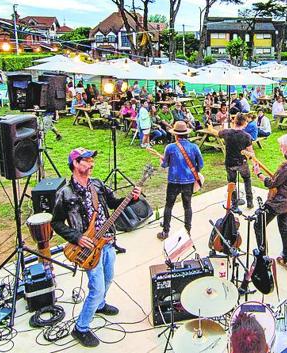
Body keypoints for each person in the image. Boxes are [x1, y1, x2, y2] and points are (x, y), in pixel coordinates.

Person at [52, 148, 141, 348]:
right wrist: (77, 238)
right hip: (89, 249)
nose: (91, 164)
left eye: (92, 161)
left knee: (108, 278)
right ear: (75, 164)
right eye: (87, 161)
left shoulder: (98, 185)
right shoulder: (65, 193)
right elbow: (56, 223)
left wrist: (132, 198)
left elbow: (114, 203)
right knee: (97, 287)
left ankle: (99, 305)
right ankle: (81, 328)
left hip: (108, 243)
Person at [251, 134, 287, 271]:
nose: (280, 149)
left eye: (281, 147)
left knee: (259, 224)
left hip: (277, 202)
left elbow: (271, 183)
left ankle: (262, 258)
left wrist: (259, 174)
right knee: (284, 226)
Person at [156, 121, 204, 240]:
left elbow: (165, 164)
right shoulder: (194, 147)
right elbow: (201, 164)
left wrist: (162, 161)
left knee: (169, 206)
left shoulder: (170, 147)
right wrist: (193, 171)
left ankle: (165, 231)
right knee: (187, 206)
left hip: (173, 181)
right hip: (188, 181)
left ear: (175, 134)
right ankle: (187, 231)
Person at [219, 113, 255, 209]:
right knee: (247, 180)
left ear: (234, 121)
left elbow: (217, 133)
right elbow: (251, 153)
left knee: (231, 182)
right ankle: (250, 202)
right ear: (244, 123)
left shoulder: (226, 133)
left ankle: (234, 204)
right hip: (242, 162)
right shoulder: (247, 136)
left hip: (230, 162)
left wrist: (211, 128)